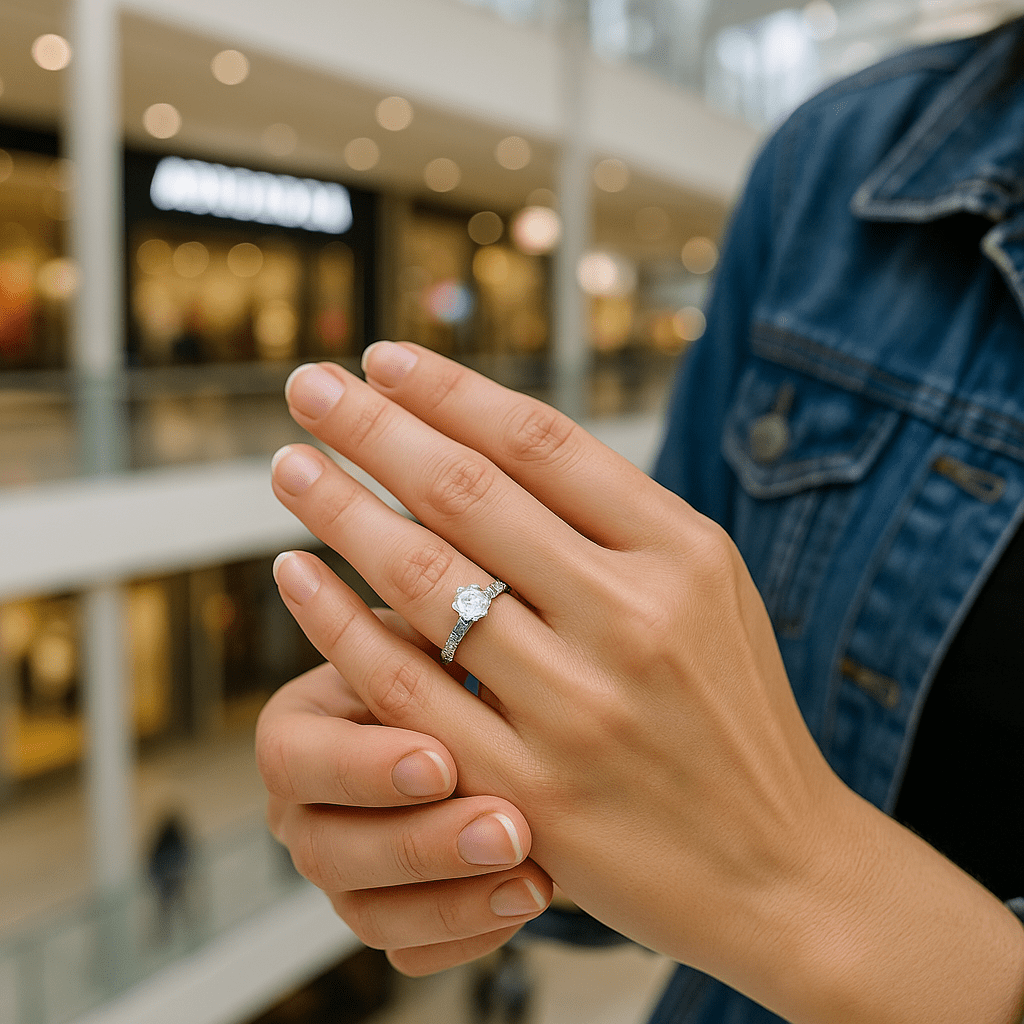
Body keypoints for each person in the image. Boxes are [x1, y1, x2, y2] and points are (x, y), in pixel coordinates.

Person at [255, 17, 1024, 1024]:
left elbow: (749, 843)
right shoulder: (838, 160)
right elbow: (665, 738)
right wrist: (490, 796)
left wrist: (802, 881)